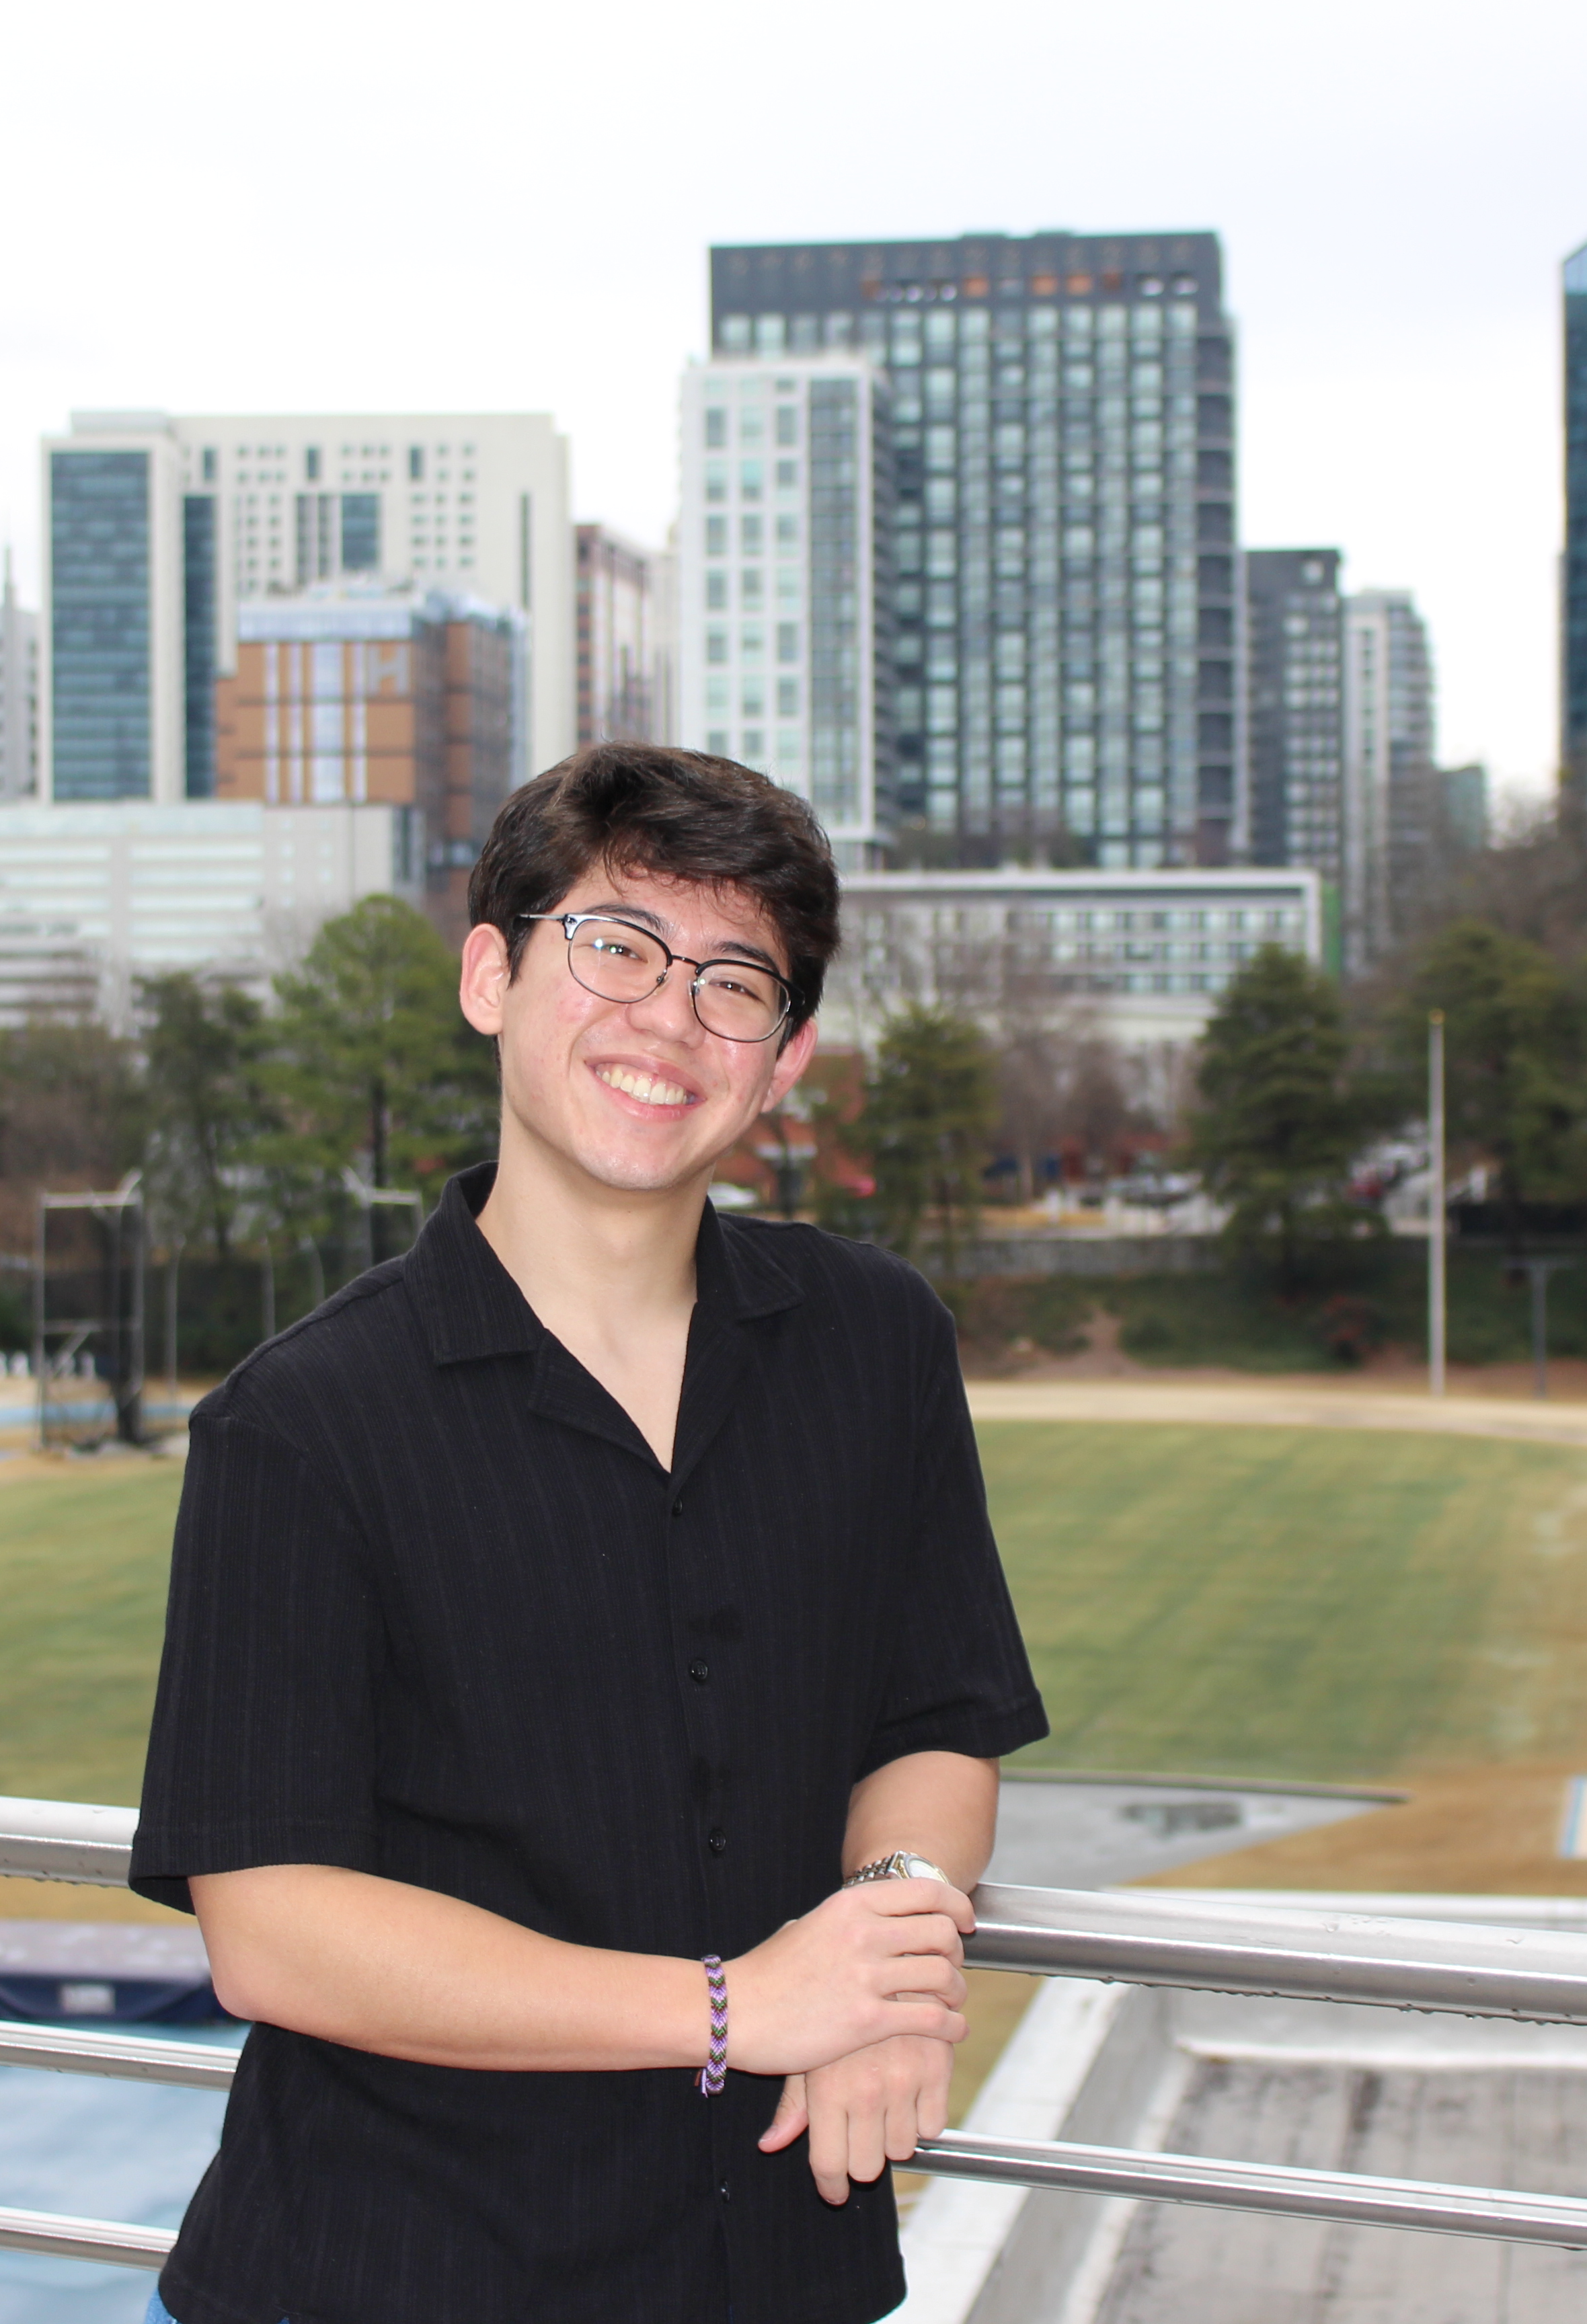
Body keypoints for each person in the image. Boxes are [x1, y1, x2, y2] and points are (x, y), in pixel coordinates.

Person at [129, 742, 1047, 2324]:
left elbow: (936, 1721)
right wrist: (735, 2006)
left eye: (733, 984)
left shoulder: (873, 1339)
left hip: (780, 2273)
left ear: (789, 1055)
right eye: (615, 948)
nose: (667, 1021)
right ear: (491, 974)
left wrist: (889, 1958)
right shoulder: (301, 1423)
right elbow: (272, 1932)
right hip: (390, 2279)